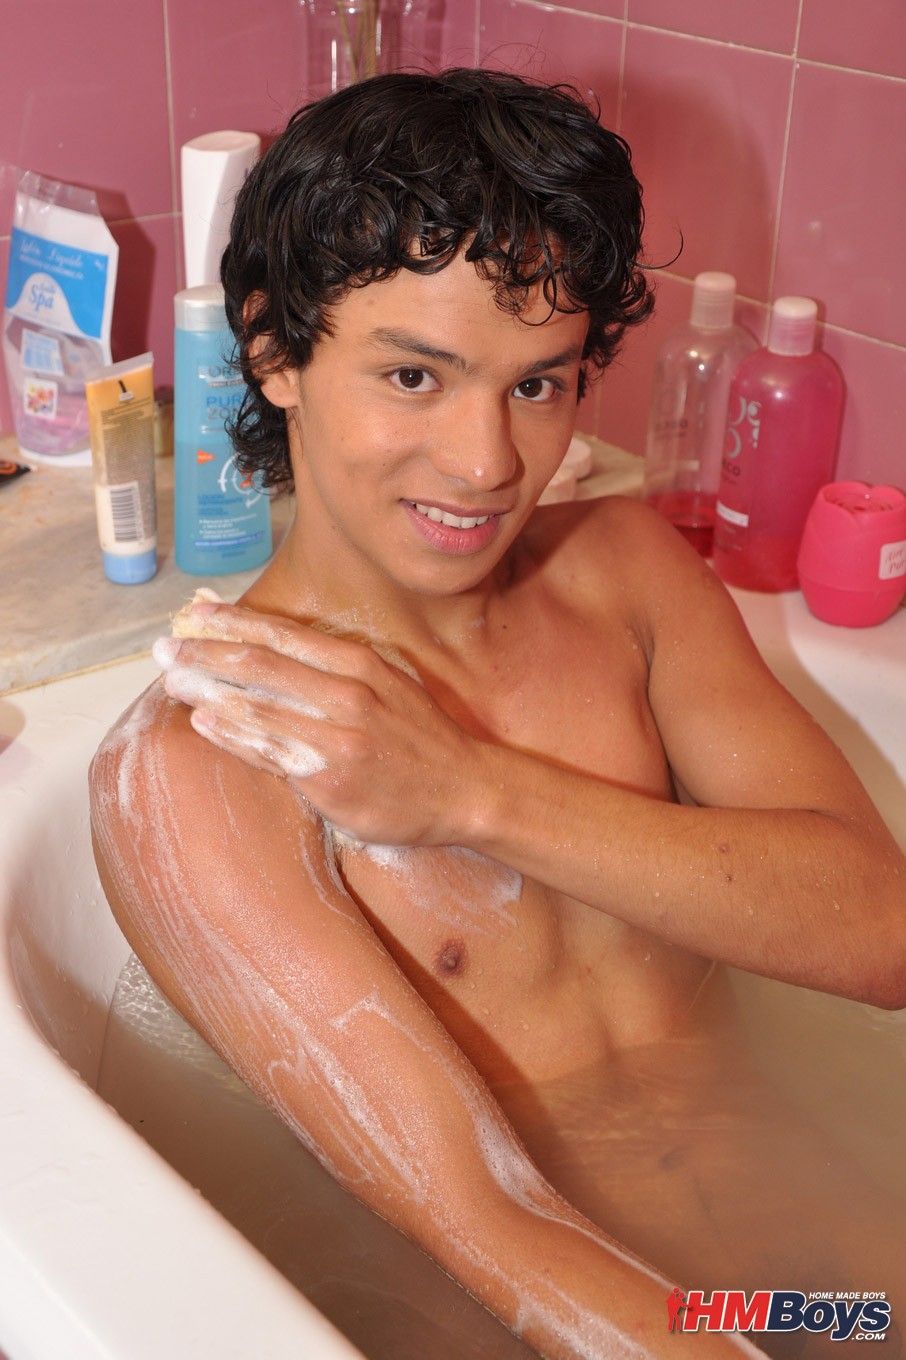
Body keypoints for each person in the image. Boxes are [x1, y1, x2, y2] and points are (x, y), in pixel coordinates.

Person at [90, 69, 906, 1360]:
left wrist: (472, 794)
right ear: (275, 352)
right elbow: (482, 1221)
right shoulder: (206, 760)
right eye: (415, 375)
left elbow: (882, 940)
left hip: (807, 1291)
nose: (487, 464)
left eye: (538, 385)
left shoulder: (628, 577)